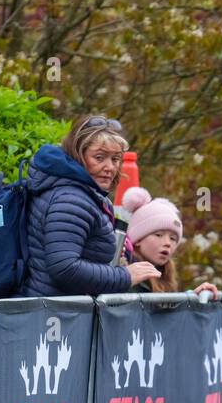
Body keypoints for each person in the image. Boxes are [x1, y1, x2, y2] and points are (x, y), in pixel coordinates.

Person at [19, 115, 156, 297]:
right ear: (78, 156)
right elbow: (65, 268)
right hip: (54, 315)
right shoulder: (70, 200)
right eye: (99, 157)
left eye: (115, 159)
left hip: (61, 312)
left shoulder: (84, 194)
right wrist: (124, 276)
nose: (110, 167)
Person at [120, 187, 218, 298]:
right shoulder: (123, 276)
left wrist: (192, 297)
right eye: (159, 235)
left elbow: (166, 312)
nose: (167, 243)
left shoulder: (166, 276)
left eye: (173, 238)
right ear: (137, 240)